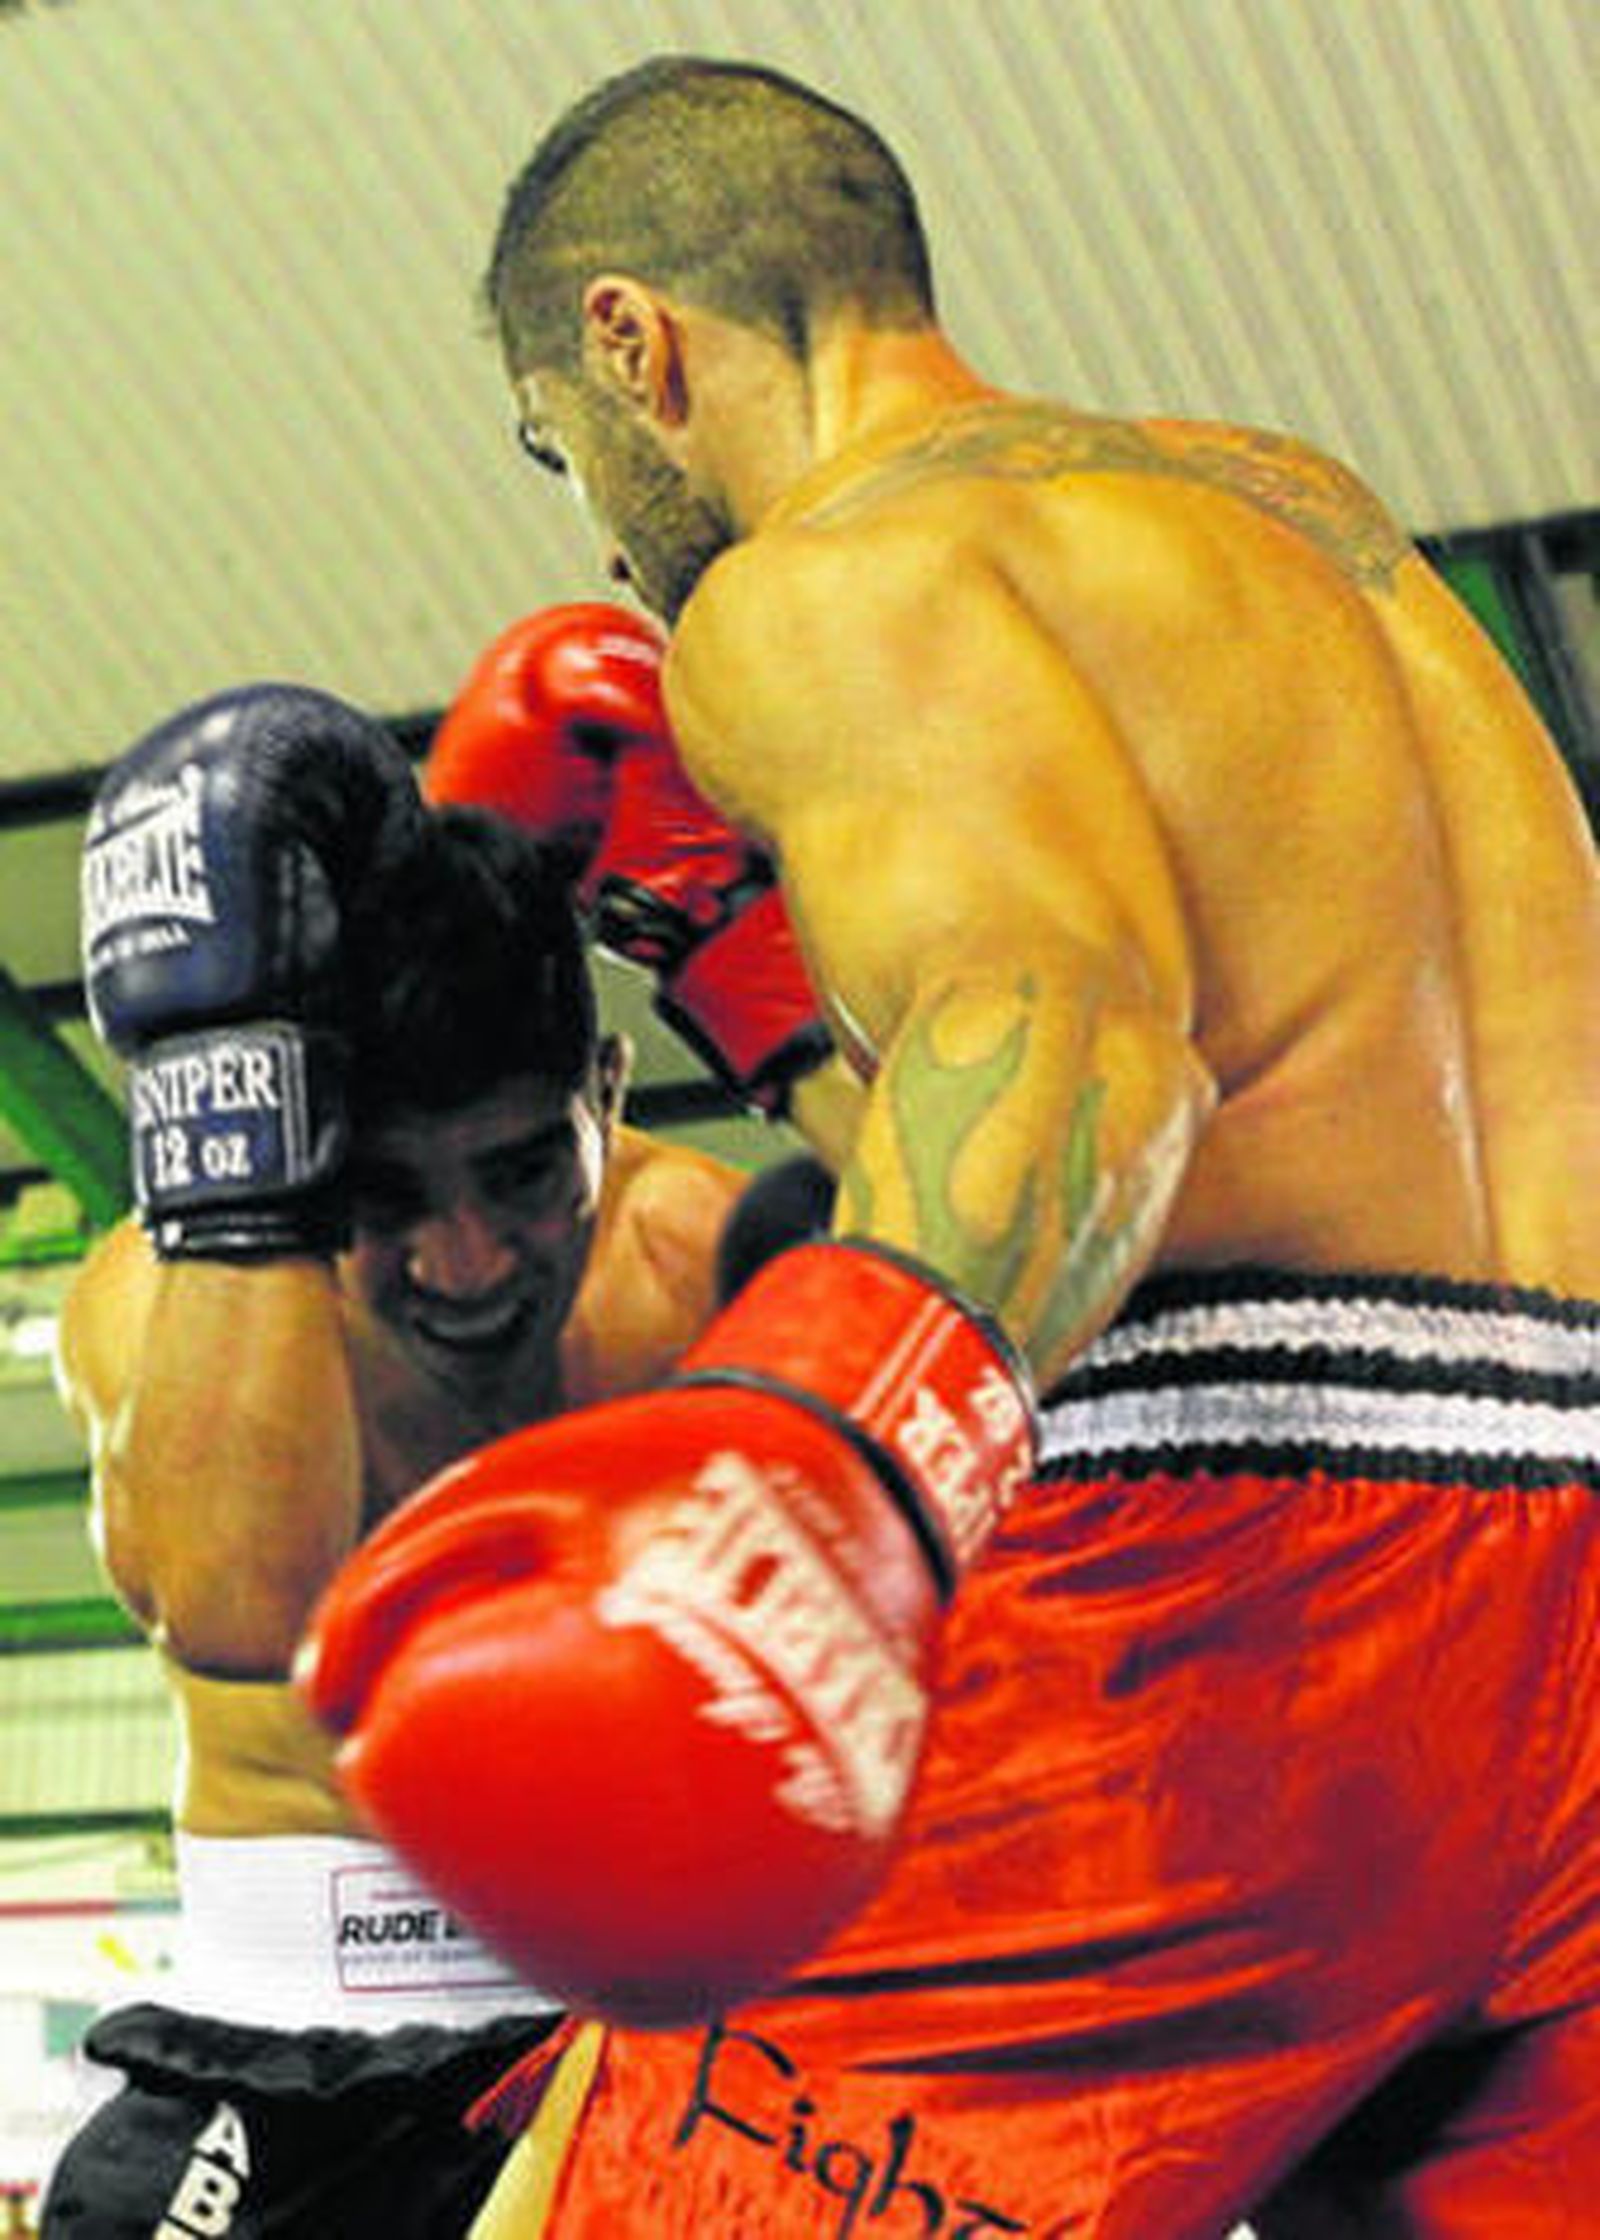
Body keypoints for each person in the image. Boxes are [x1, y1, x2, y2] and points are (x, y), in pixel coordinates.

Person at [298, 54, 1600, 2238]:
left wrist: (821, 1478)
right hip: (1565, 1626)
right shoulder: (1307, 522)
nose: (601, 534)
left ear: (634, 342)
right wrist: (736, 965)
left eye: (564, 449)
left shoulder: (824, 584)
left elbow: (1073, 1038)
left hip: (1223, 1627)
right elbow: (1228, 1117)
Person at [39, 648, 832, 2238]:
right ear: (295, 1158)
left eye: (528, 1172)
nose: (469, 1264)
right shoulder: (179, 1291)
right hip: (272, 2048)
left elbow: (1037, 1334)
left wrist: (773, 1001)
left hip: (653, 2045)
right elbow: (239, 1608)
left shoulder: (697, 1278)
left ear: (608, 1089)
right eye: (384, 1203)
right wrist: (230, 1144)